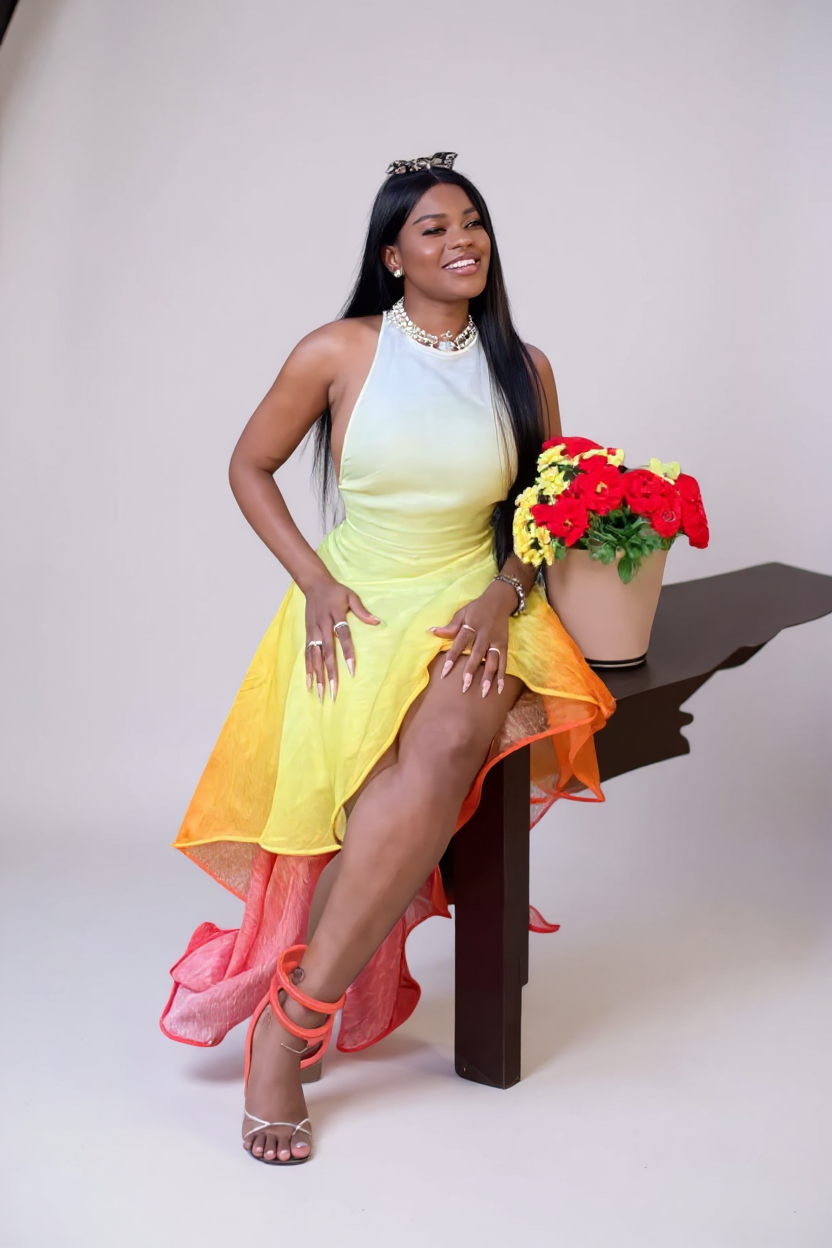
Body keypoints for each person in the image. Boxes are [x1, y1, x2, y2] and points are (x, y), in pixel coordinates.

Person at [160, 152, 615, 1165]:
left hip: (476, 605)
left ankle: (289, 1029)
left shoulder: (524, 365)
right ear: (392, 256)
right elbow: (249, 465)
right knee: (373, 797)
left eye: (473, 223)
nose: (462, 242)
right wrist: (316, 581)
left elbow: (541, 512)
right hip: (358, 605)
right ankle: (298, 1009)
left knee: (447, 744)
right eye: (434, 229)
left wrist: (504, 594)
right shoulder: (338, 350)